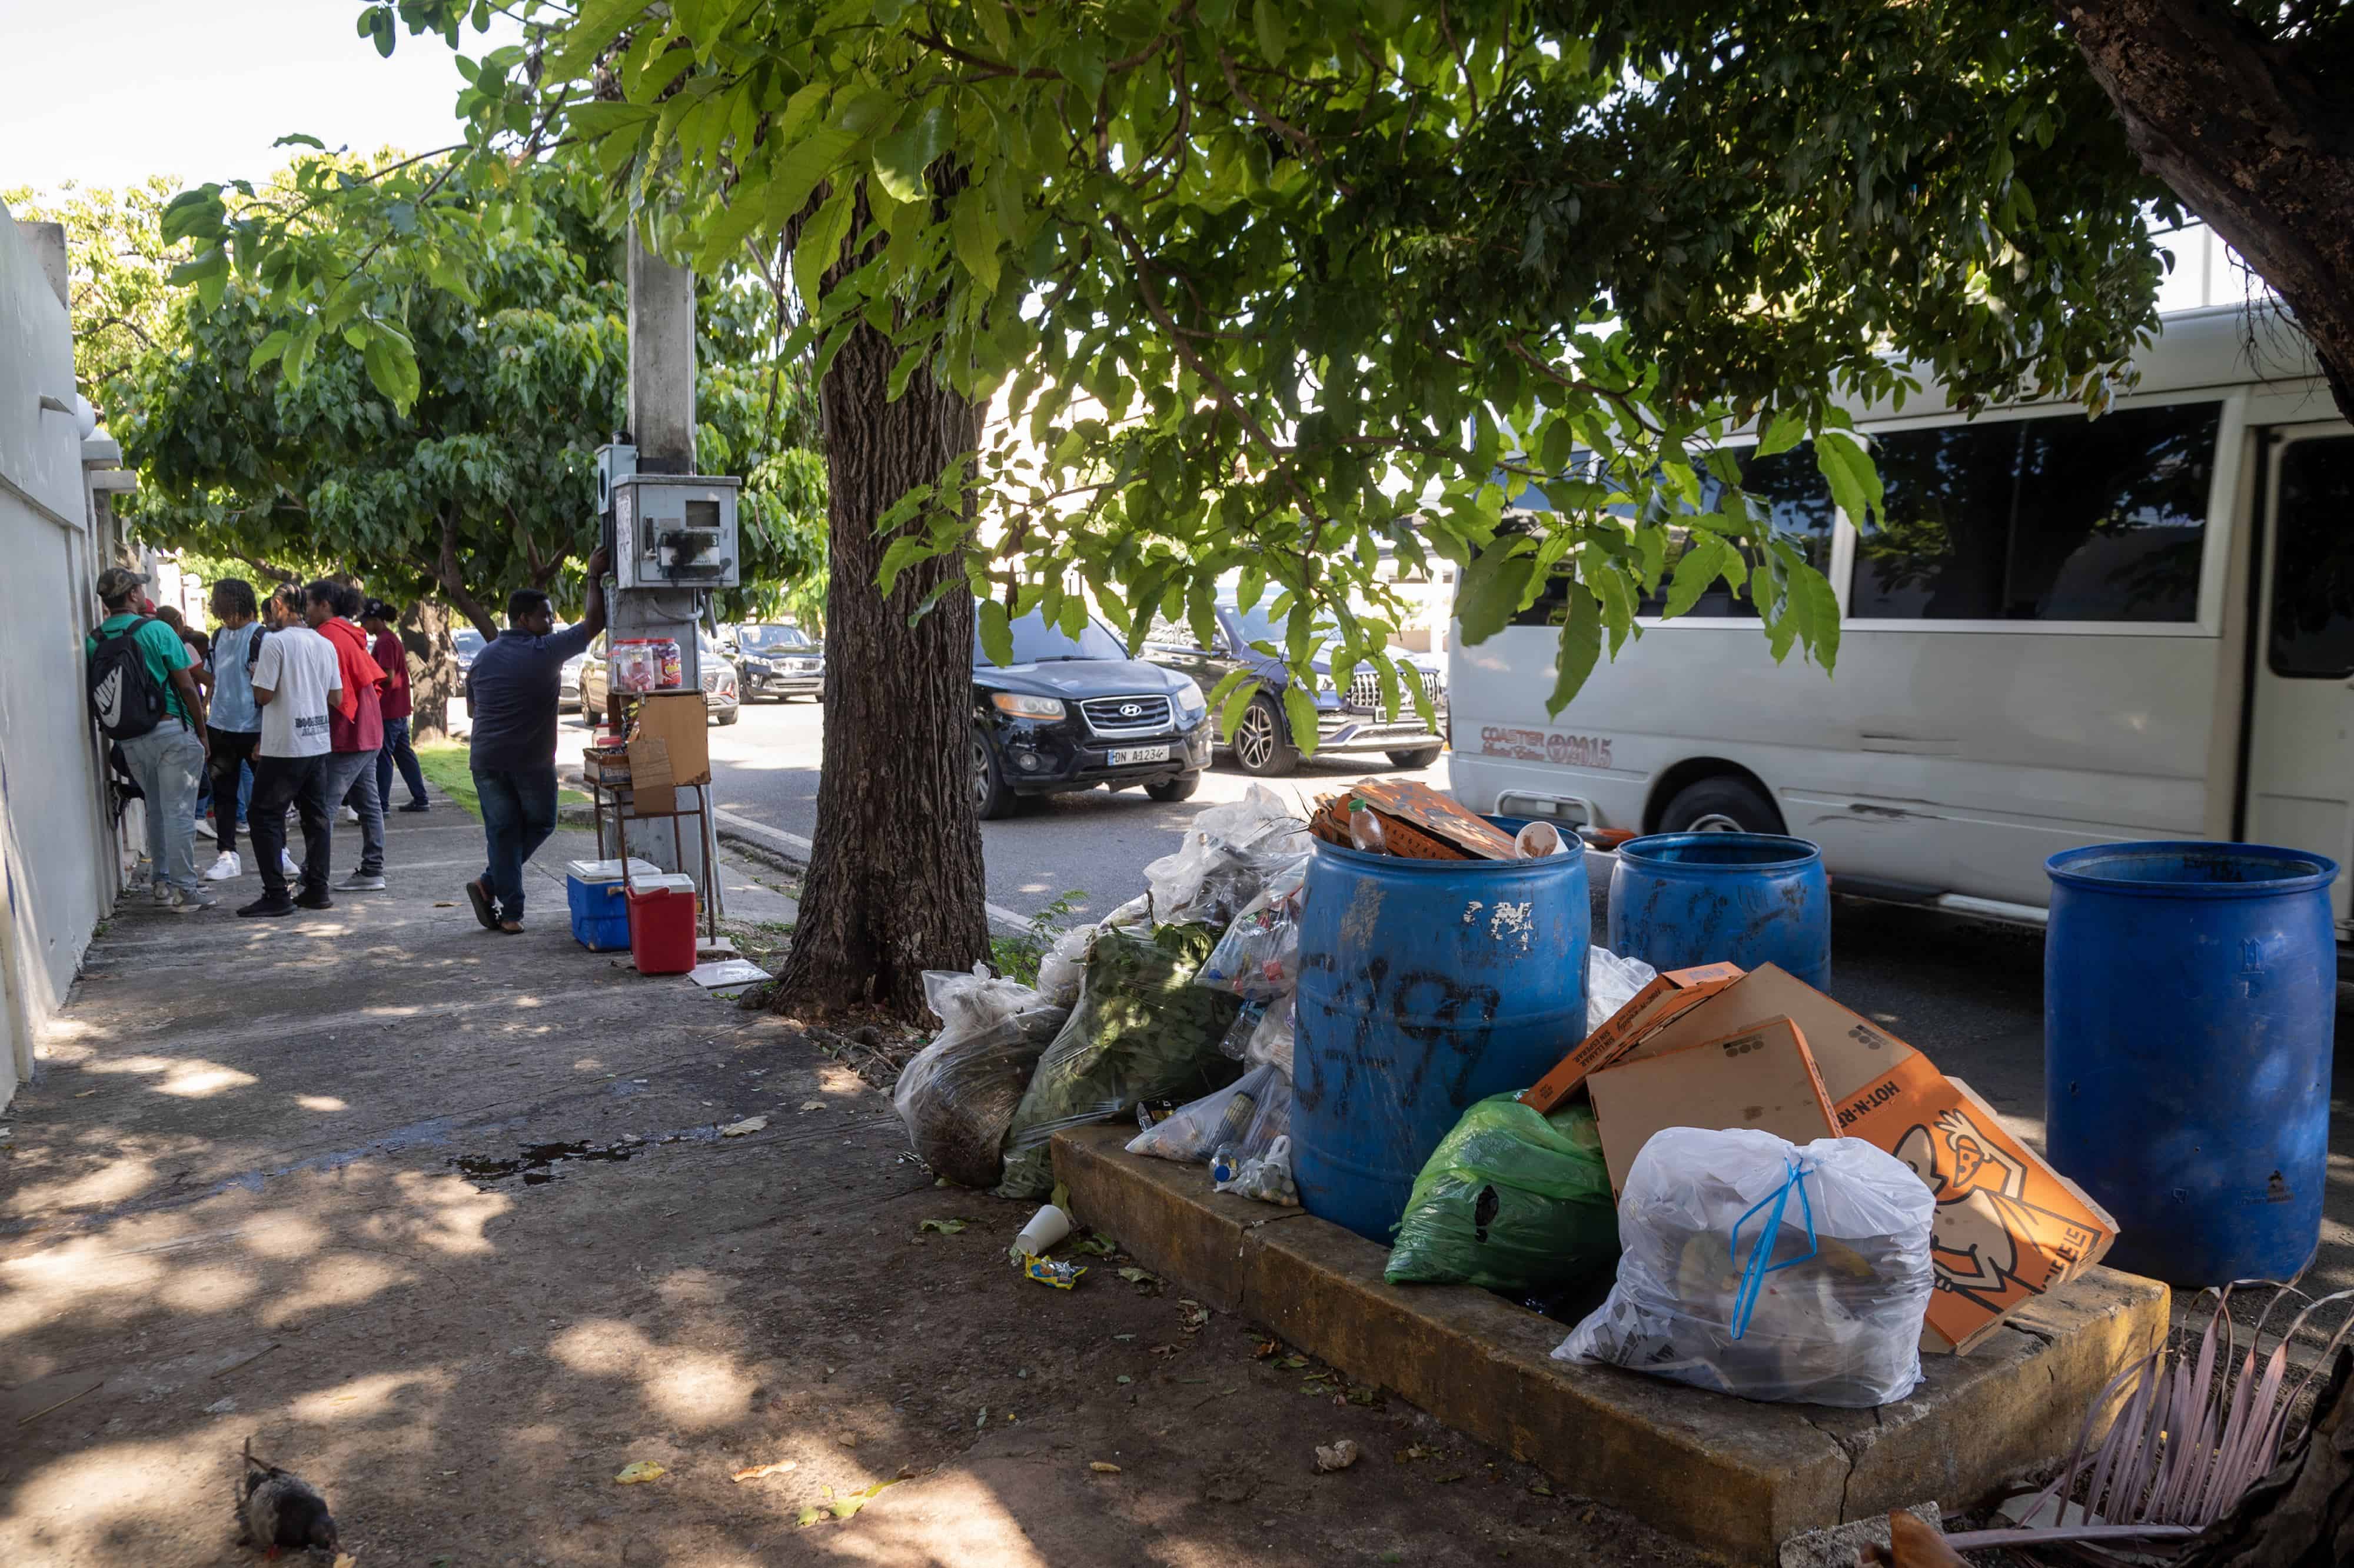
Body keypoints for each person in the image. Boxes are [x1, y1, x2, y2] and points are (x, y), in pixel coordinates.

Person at [464, 547, 609, 933]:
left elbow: (473, 712)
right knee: (542, 821)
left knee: (504, 830)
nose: (551, 620)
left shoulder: (483, 656)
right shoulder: (547, 649)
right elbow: (595, 622)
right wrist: (593, 575)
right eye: (545, 615)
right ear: (524, 619)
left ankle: (502, 900)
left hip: (486, 759)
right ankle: (500, 897)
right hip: (530, 760)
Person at [87, 567, 215, 912]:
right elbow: (187, 684)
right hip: (172, 732)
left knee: (156, 810)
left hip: (131, 739)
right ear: (132, 595)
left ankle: (162, 882)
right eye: (139, 589)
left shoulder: (95, 639)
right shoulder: (157, 629)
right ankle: (186, 890)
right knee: (180, 813)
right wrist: (202, 732)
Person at [242, 583, 342, 918]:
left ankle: (276, 894)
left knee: (264, 816)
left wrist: (257, 676)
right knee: (316, 818)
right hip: (317, 740)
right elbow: (336, 698)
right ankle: (317, 888)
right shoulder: (324, 643)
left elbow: (263, 696)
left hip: (285, 744)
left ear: (279, 605)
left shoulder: (275, 643)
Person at [311, 583, 388, 893]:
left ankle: (312, 876)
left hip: (350, 733)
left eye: (309, 604)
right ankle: (373, 869)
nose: (306, 612)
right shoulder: (348, 633)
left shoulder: (329, 635)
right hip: (367, 730)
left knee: (324, 807)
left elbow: (335, 692)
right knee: (369, 805)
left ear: (325, 605)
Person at [201, 578, 267, 881]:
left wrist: (266, 733)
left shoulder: (261, 637)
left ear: (237, 600)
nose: (215, 603)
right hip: (221, 727)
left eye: (219, 597)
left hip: (254, 728)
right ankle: (228, 856)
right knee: (224, 796)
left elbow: (271, 689)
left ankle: (279, 853)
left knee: (267, 796)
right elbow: (213, 678)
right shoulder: (217, 636)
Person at [361, 598, 430, 813]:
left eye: (365, 621)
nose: (363, 626)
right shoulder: (390, 639)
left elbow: (388, 676)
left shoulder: (384, 642)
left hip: (388, 709)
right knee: (404, 755)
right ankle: (421, 798)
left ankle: (381, 805)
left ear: (376, 620)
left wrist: (366, 680)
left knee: (384, 756)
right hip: (399, 709)